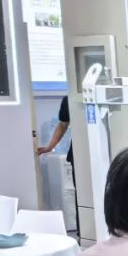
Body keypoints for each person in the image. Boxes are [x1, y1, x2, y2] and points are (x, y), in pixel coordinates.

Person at [35, 95, 77, 235]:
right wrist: (50, 147)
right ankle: (83, 232)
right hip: (78, 154)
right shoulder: (69, 99)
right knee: (80, 196)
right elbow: (62, 125)